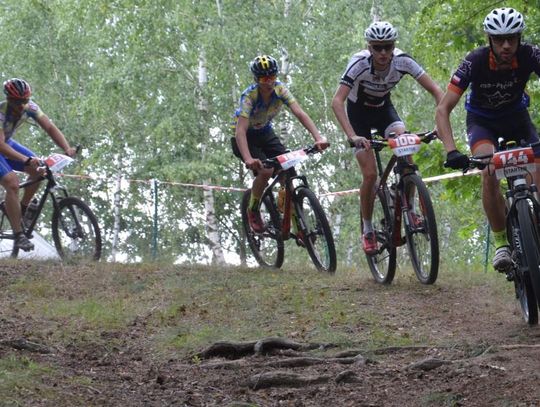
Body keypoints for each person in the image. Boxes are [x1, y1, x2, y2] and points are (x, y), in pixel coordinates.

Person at [436, 7, 540, 272]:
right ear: (489, 40)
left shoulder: (531, 55)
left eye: (512, 39)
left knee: (538, 175)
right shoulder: (475, 61)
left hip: (517, 118)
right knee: (488, 169)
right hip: (483, 123)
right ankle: (501, 243)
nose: (506, 46)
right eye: (499, 39)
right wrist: (451, 151)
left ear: (519, 38)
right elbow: (443, 109)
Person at [332, 21, 443, 254]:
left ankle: (410, 208)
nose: (383, 53)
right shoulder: (359, 64)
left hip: (384, 110)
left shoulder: (403, 60)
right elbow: (337, 101)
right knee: (370, 175)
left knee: (406, 148)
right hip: (358, 116)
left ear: (394, 46)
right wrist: (352, 136)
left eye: (388, 47)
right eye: (377, 47)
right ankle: (368, 228)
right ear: (369, 48)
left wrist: (440, 125)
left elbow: (437, 91)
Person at [232, 55, 329, 234]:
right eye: (263, 78)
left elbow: (299, 113)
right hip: (245, 138)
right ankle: (253, 209)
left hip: (265, 133)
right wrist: (247, 158)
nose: (269, 82)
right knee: (266, 170)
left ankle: (296, 224)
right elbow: (240, 130)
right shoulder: (249, 96)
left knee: (288, 170)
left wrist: (318, 138)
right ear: (256, 79)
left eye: (272, 77)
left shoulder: (280, 89)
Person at [0, 78, 77, 251]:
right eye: (17, 102)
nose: (21, 106)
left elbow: (50, 128)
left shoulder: (31, 107)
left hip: (7, 142)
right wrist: (25, 159)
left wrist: (66, 147)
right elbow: (1, 145)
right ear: (9, 99)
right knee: (12, 183)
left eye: (24, 101)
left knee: (40, 169)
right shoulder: (1, 112)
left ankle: (22, 209)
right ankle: (19, 235)